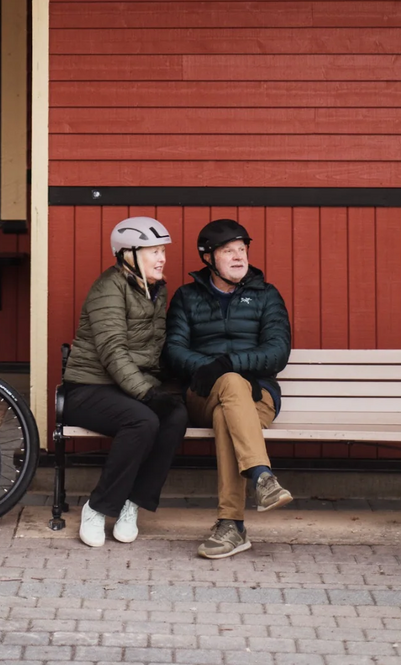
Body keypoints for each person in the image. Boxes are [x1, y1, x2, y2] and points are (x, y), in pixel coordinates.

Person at [164, 219, 293, 560]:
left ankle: (231, 526)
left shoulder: (267, 295)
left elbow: (278, 352)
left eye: (242, 250)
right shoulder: (187, 297)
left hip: (258, 396)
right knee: (229, 387)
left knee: (228, 411)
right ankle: (262, 477)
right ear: (208, 258)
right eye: (227, 251)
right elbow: (173, 351)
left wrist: (227, 363)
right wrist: (210, 370)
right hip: (203, 393)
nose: (238, 257)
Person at [63, 217, 189, 548]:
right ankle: (98, 507)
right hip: (88, 389)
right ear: (129, 254)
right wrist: (148, 394)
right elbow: (113, 352)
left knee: (175, 416)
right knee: (143, 420)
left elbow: (153, 348)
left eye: (163, 251)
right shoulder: (109, 287)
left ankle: (131, 504)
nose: (162, 258)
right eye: (154, 251)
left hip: (128, 389)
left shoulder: (155, 290)